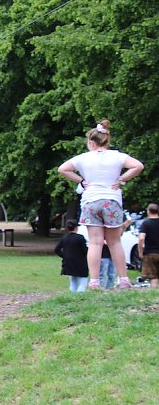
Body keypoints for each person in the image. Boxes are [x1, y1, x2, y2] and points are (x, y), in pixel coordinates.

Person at [58, 119, 144, 289]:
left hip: (90, 201)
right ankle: (123, 280)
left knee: (95, 243)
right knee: (115, 242)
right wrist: (122, 179)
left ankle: (94, 281)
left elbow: (62, 169)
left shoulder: (83, 158)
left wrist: (81, 181)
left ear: (91, 142)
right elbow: (138, 166)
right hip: (111, 201)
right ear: (106, 140)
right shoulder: (118, 156)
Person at [55, 219, 89, 293]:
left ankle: (72, 295)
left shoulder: (65, 237)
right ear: (76, 227)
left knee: (73, 281)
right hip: (81, 263)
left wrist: (64, 256)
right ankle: (80, 294)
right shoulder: (80, 238)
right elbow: (85, 251)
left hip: (68, 263)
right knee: (83, 280)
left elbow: (57, 249)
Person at [138, 203, 159, 288]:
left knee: (153, 276)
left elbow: (141, 238)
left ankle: (154, 293)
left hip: (150, 253)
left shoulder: (146, 223)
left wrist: (140, 252)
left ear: (148, 211)